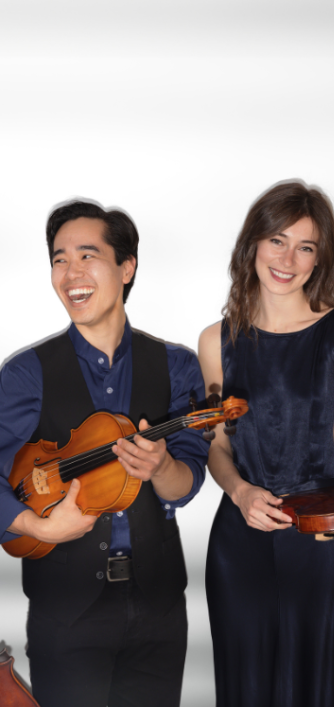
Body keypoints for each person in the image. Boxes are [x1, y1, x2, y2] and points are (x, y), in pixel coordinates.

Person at [0, 200, 208, 707]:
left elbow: (187, 483)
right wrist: (37, 527)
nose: (71, 273)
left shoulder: (177, 366)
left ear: (126, 266)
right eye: (58, 259)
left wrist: (163, 467)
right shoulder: (26, 373)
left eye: (87, 255)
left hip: (158, 605)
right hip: (65, 611)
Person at [198, 180, 334, 707]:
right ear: (252, 243)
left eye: (306, 247)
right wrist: (239, 493)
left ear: (320, 259)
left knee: (317, 684)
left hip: (321, 534)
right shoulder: (216, 339)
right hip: (240, 535)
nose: (288, 258)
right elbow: (215, 443)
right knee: (243, 686)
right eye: (277, 240)